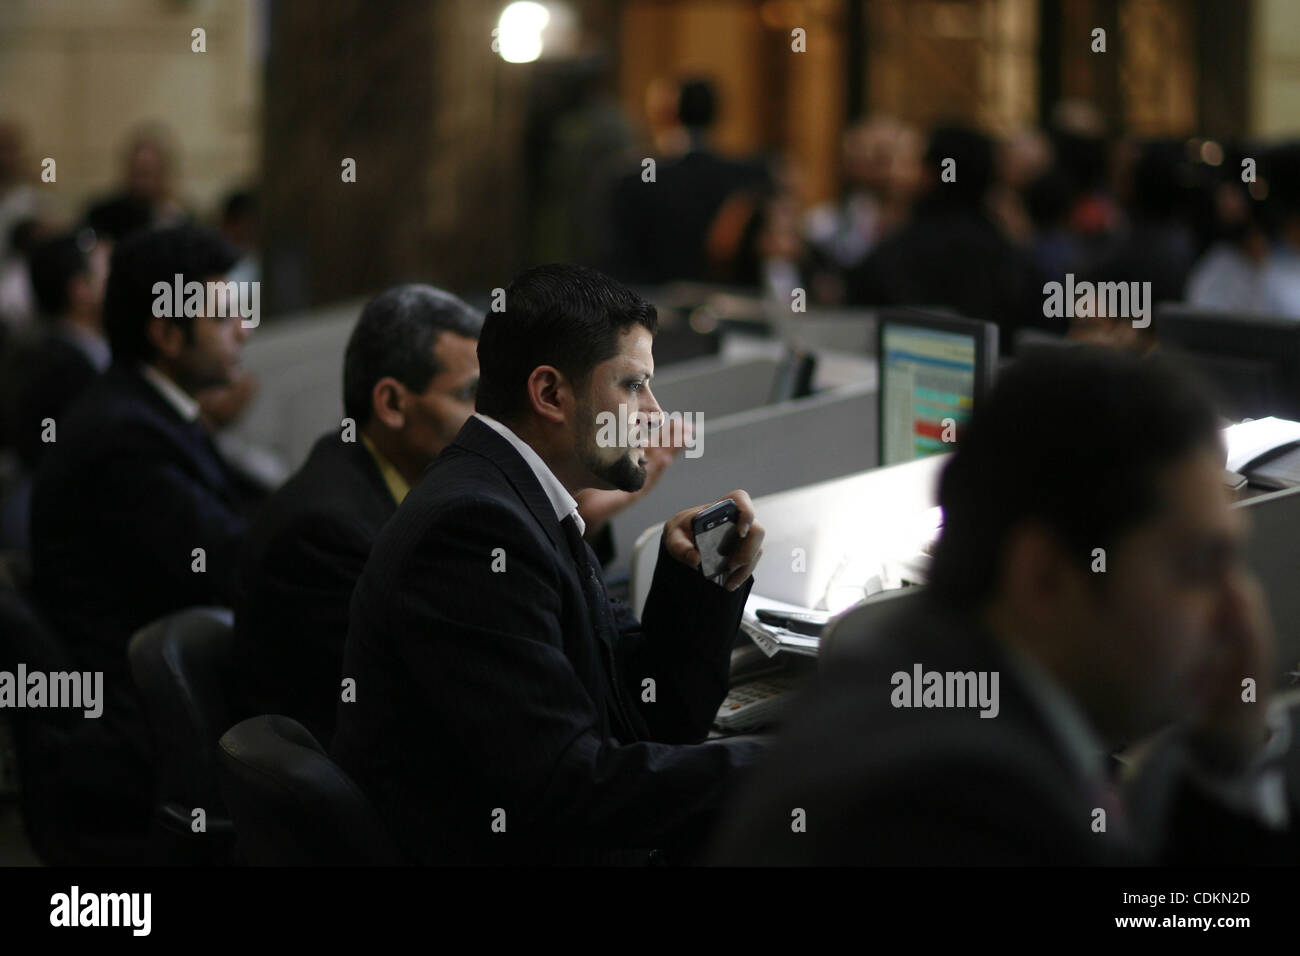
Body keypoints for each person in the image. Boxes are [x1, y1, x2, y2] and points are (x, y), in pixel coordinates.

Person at [712, 347, 1300, 865]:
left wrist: (1222, 761)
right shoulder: (972, 809)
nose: (1237, 609)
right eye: (1198, 566)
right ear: (1043, 577)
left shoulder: (902, 673)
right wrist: (1234, 770)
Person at [331, 263, 766, 864]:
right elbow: (566, 789)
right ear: (550, 394)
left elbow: (644, 714)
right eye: (633, 385)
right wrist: (781, 763)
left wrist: (696, 581)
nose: (655, 414)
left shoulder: (516, 498)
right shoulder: (475, 530)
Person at [29, 224, 253, 837]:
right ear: (165, 333)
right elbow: (230, 564)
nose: (245, 330)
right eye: (225, 317)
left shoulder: (149, 410)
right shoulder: (125, 437)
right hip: (138, 733)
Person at [233, 284, 482, 746]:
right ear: (391, 404)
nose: (487, 418)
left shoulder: (399, 481)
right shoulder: (325, 531)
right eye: (469, 394)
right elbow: (432, 687)